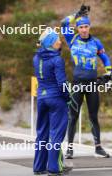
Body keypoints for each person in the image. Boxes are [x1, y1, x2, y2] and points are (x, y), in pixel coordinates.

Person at [61, 5, 112, 159]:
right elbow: (64, 23)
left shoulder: (96, 42)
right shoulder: (72, 39)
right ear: (77, 28)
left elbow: (105, 57)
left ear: (89, 27)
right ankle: (69, 148)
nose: (83, 29)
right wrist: (76, 15)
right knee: (73, 116)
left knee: (93, 116)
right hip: (77, 83)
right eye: (81, 27)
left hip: (92, 84)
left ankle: (98, 147)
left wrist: (109, 74)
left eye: (86, 27)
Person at [33, 28, 72, 176]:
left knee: (41, 133)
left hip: (41, 98)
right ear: (51, 43)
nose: (60, 41)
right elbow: (62, 83)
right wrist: (68, 98)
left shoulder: (36, 58)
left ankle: (39, 167)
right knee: (56, 134)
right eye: (57, 39)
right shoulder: (57, 59)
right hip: (56, 99)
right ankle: (54, 168)